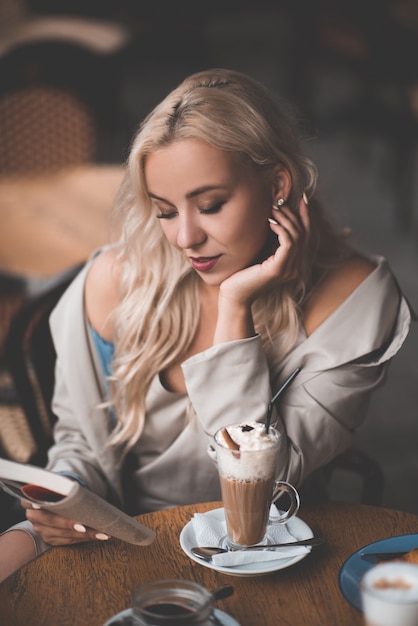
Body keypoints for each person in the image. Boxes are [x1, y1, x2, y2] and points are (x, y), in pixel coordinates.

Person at [0, 68, 412, 581]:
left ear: (278, 185)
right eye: (165, 211)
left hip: (271, 552)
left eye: (211, 205)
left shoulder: (355, 299)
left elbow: (264, 482)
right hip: (127, 540)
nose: (186, 238)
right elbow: (82, 446)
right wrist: (57, 509)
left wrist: (235, 306)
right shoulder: (115, 278)